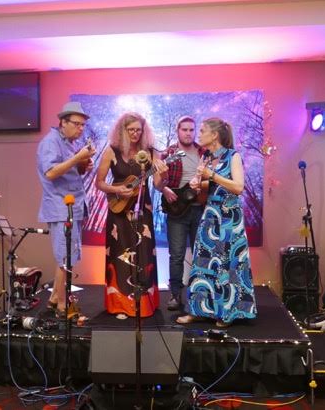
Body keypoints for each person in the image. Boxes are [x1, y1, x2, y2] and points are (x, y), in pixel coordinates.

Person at [176, 117, 257, 328]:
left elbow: (238, 187)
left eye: (202, 131)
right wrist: (198, 184)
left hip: (229, 217)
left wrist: (211, 175)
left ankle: (226, 312)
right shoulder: (206, 157)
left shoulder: (233, 156)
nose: (199, 134)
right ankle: (199, 310)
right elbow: (209, 185)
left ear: (214, 135)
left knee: (226, 264)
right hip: (210, 215)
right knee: (202, 263)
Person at [95, 112, 165, 319]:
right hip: (119, 211)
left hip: (143, 209)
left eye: (139, 130)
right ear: (122, 130)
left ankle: (144, 304)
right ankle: (120, 305)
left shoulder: (151, 152)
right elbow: (99, 183)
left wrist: (163, 173)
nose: (135, 133)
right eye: (131, 130)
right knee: (120, 255)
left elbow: (158, 184)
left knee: (144, 254)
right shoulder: (112, 151)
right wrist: (116, 189)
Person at [37, 101, 96, 317]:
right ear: (63, 122)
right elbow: (51, 173)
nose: (80, 129)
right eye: (76, 124)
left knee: (67, 257)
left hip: (72, 206)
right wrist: (77, 158)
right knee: (65, 258)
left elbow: (69, 172)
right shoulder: (50, 142)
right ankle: (63, 306)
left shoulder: (69, 143)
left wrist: (82, 165)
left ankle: (54, 298)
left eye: (83, 125)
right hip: (61, 207)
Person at [156, 116, 206, 311]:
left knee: (200, 253)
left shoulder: (204, 152)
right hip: (177, 210)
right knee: (176, 255)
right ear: (178, 131)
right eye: (184, 129)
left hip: (200, 208)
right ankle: (175, 295)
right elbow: (157, 183)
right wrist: (164, 189)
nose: (188, 133)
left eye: (191, 130)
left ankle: (200, 295)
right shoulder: (169, 153)